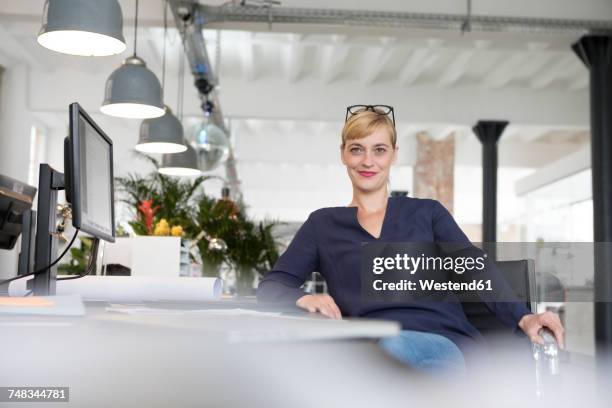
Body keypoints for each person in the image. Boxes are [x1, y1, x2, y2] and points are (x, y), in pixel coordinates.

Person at [257, 105, 564, 372]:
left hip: (442, 343)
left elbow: (474, 268)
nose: (368, 161)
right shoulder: (322, 225)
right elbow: (270, 288)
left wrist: (523, 317)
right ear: (343, 154)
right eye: (356, 149)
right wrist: (304, 297)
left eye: (379, 149)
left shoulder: (427, 213)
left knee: (392, 357)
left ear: (393, 155)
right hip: (370, 349)